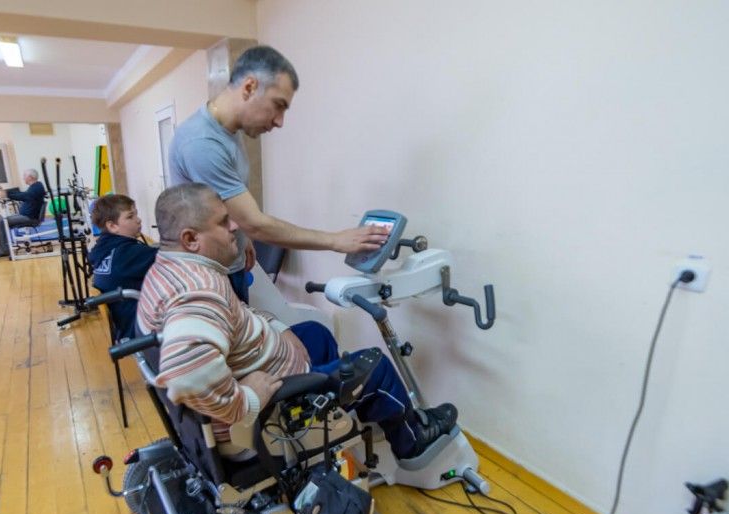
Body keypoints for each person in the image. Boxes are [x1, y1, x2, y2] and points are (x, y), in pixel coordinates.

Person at [136, 183, 457, 460]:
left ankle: (334, 416)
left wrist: (277, 329)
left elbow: (235, 316)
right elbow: (187, 376)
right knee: (377, 367)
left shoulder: (169, 267)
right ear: (191, 238)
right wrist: (247, 401)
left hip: (263, 371)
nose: (235, 226)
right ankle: (411, 442)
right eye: (223, 222)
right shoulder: (199, 292)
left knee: (314, 333)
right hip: (265, 416)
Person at [168, 45, 390, 302]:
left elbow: (231, 207)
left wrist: (242, 238)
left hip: (230, 264)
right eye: (278, 105)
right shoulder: (202, 143)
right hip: (209, 279)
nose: (279, 121)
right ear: (249, 87)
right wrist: (336, 240)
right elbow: (255, 223)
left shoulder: (229, 130)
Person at [88, 193, 158, 338]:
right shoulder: (127, 254)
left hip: (124, 326)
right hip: (140, 329)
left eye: (136, 214)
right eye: (130, 216)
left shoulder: (103, 251)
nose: (138, 220)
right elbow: (170, 257)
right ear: (112, 226)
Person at [0, 168, 46, 258]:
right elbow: (23, 194)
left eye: (24, 176)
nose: (23, 178)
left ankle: (4, 249)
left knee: (2, 221)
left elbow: (25, 196)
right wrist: (6, 192)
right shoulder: (35, 186)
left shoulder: (37, 187)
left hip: (30, 218)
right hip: (26, 216)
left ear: (30, 177)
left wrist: (6, 194)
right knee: (2, 220)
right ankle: (5, 246)